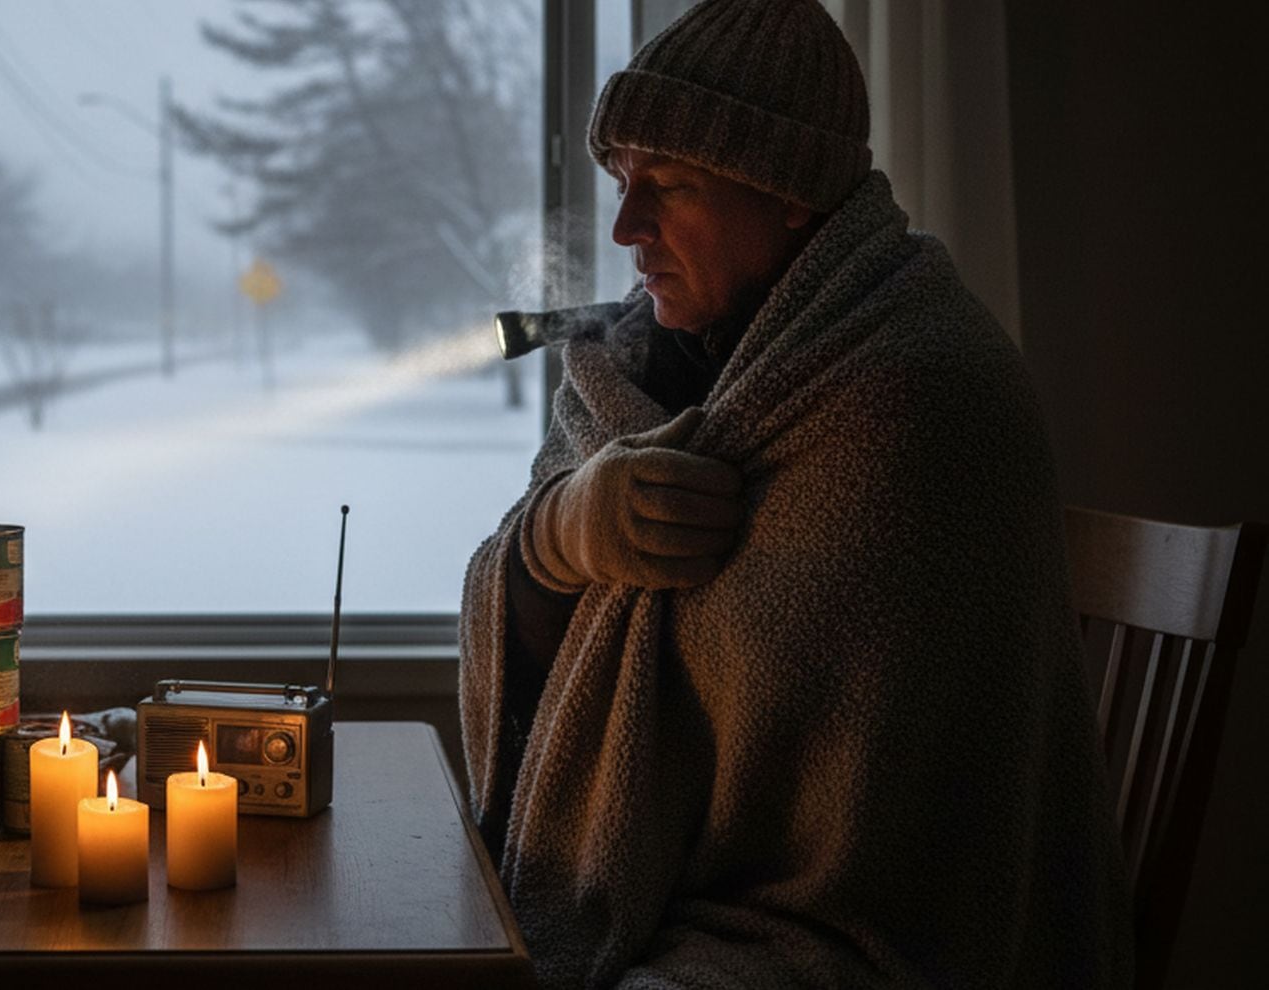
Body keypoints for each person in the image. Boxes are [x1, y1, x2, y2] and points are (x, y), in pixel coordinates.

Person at [457, 1, 1131, 987]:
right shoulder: (640, 372)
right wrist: (557, 536)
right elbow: (506, 584)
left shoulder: (917, 392)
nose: (625, 227)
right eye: (620, 181)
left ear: (792, 195)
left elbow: (867, 871)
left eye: (670, 185)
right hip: (681, 915)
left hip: (847, 944)